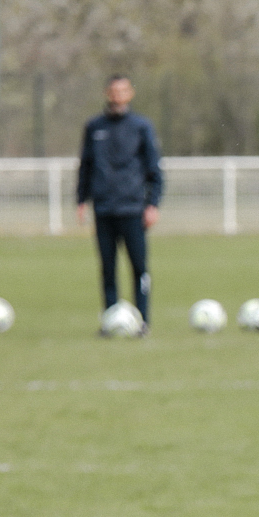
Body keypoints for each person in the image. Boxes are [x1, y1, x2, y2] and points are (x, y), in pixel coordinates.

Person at [77, 74, 163, 333]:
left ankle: (143, 321)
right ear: (107, 93)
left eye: (123, 90)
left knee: (138, 268)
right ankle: (110, 320)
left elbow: (154, 169)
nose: (118, 94)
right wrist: (81, 199)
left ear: (130, 93)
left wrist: (153, 204)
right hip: (103, 208)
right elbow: (86, 166)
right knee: (107, 269)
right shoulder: (94, 127)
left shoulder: (141, 126)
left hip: (133, 209)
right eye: (114, 90)